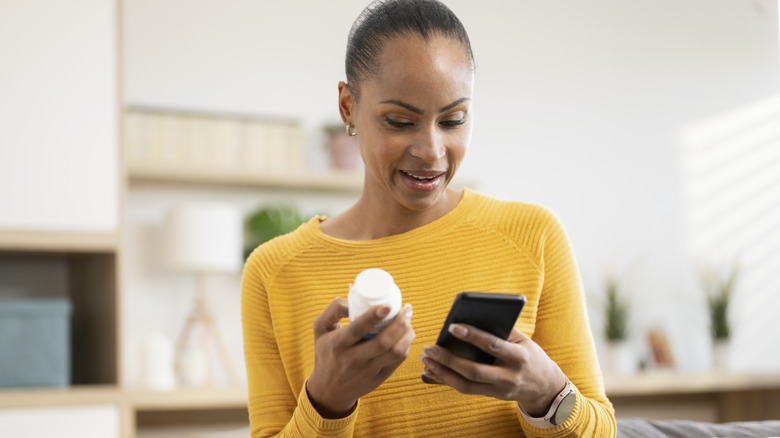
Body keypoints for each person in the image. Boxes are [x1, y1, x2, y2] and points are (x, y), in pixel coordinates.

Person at [241, 0, 616, 436]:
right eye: (399, 121)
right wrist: (327, 400)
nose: (432, 151)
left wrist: (548, 395)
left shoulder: (533, 236)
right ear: (347, 107)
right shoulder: (274, 272)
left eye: (453, 119)